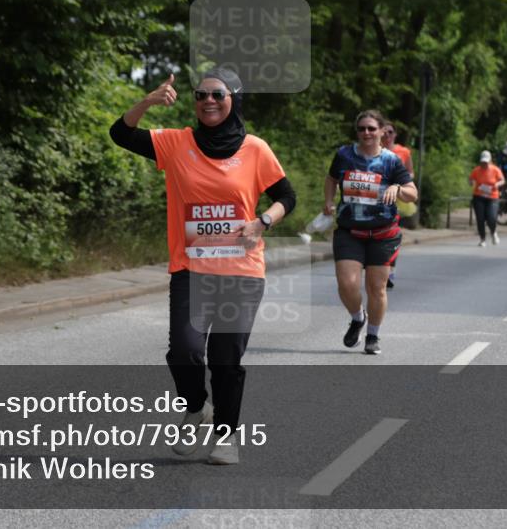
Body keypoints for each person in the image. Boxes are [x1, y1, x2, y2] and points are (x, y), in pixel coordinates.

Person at [109, 68, 296, 465]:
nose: (208, 101)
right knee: (185, 351)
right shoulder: (176, 143)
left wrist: (263, 221)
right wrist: (147, 101)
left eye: (217, 95)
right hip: (191, 268)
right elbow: (120, 134)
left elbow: (286, 196)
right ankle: (197, 408)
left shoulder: (255, 149)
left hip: (242, 271)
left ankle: (226, 437)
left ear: (234, 100)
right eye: (201, 95)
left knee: (226, 358)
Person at [324, 110, 417, 355]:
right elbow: (331, 178)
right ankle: (357, 317)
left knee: (376, 289)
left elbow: (413, 192)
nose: (366, 133)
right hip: (349, 230)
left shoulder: (391, 161)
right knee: (347, 284)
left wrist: (397, 188)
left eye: (371, 128)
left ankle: (373, 336)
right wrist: (328, 201)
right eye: (362, 128)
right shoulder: (344, 155)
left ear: (381, 131)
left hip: (383, 233)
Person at [379, 119, 413, 289]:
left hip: (397, 195)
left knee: (392, 232)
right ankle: (379, 267)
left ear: (395, 135)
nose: (387, 135)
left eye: (390, 132)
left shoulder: (403, 152)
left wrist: (401, 184)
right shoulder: (373, 151)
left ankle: (390, 269)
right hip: (377, 197)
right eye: (385, 131)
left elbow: (410, 172)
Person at [469, 150, 505, 247]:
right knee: (480, 219)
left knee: (491, 218)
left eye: (486, 162)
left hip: (492, 197)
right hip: (479, 196)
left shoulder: (495, 170)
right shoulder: (476, 170)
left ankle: (493, 232)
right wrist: (471, 182)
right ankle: (482, 239)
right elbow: (470, 179)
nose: (484, 164)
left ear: (490, 161)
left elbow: (502, 180)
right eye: (482, 162)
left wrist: (497, 184)